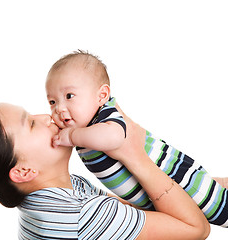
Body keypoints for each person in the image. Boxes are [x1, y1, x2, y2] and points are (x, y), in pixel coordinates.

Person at [0, 101, 209, 239]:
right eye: (30, 124)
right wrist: (133, 154)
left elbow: (144, 208)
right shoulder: (81, 215)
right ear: (23, 171)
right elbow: (196, 229)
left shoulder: (60, 192)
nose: (47, 116)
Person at [45, 50, 228, 228]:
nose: (59, 108)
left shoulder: (105, 116)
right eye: (52, 101)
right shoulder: (84, 126)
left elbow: (114, 138)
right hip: (161, 192)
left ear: (102, 96)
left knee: (221, 209)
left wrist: (71, 136)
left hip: (177, 179)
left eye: (69, 96)